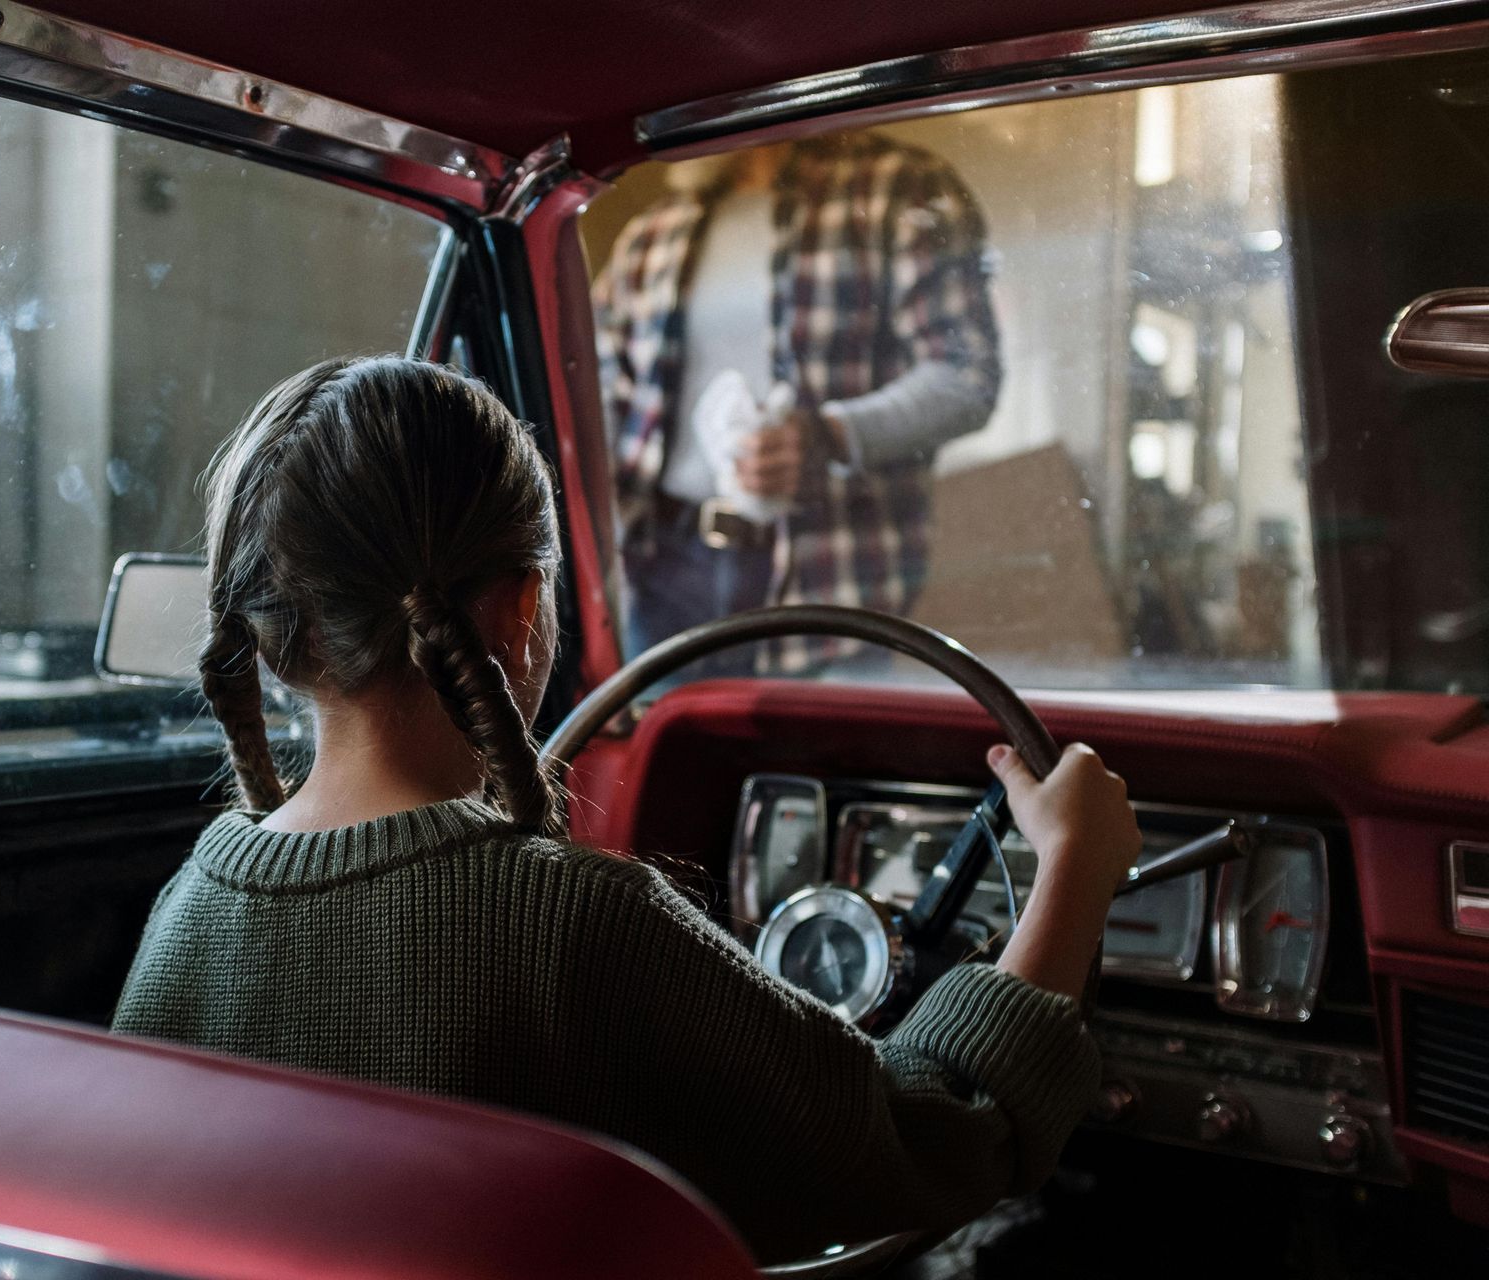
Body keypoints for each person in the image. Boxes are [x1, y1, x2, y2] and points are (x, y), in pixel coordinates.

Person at [113, 356, 1140, 1262]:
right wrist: (1073, 873)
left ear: (280, 633)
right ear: (519, 610)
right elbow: (941, 1137)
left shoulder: (181, 912)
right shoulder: (576, 924)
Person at [595, 134, 1001, 673]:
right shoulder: (655, 231)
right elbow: (596, 391)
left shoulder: (898, 187)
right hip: (663, 574)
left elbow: (966, 374)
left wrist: (830, 437)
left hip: (833, 576)